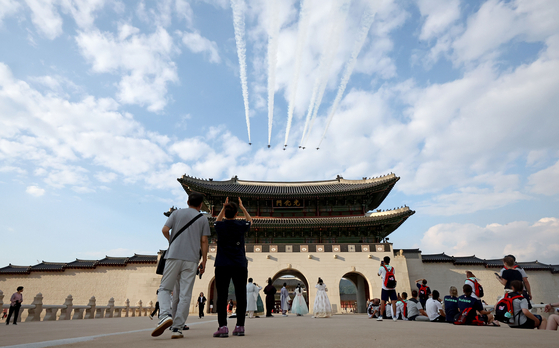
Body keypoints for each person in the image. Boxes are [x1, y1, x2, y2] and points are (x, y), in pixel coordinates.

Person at [151, 192, 210, 339]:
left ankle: (165, 315)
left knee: (165, 288)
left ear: (187, 201)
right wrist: (204, 261)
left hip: (174, 255)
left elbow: (165, 230)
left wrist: (172, 241)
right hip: (191, 259)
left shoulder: (176, 213)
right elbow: (204, 241)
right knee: (185, 293)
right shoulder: (202, 219)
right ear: (201, 204)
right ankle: (177, 328)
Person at [213, 197, 252, 337]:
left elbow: (216, 221)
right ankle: (240, 326)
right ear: (236, 213)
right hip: (239, 263)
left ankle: (222, 327)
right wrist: (242, 207)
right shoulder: (241, 225)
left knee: (222, 295)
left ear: (225, 213)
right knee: (241, 295)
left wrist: (223, 208)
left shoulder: (220, 226)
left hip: (222, 264)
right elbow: (250, 221)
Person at [377, 256, 397, 322]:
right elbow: (392, 275)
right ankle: (394, 316)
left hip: (385, 287)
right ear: (389, 261)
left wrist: (381, 266)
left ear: (384, 261)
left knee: (383, 302)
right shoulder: (392, 268)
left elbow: (378, 274)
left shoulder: (382, 268)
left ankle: (381, 316)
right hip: (392, 287)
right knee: (393, 302)